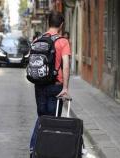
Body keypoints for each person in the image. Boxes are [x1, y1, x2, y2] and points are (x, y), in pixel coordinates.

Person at [29, 11, 71, 156]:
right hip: (55, 86)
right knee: (53, 120)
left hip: (39, 84)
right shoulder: (63, 41)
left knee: (42, 118)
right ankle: (49, 151)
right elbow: (66, 65)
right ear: (61, 25)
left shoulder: (37, 40)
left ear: (48, 23)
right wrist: (65, 87)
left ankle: (34, 149)